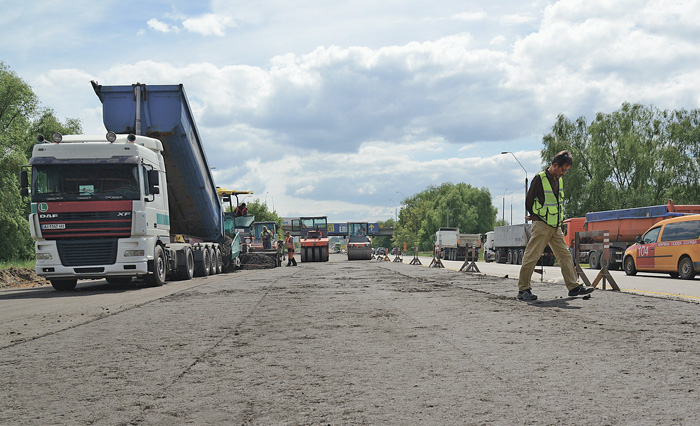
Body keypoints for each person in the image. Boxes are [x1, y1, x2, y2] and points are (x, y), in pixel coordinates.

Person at [517, 150, 594, 301]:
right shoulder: (539, 178)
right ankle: (523, 290)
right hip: (541, 225)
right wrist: (535, 215)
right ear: (555, 165)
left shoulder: (559, 179)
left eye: (566, 170)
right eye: (563, 169)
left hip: (555, 225)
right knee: (532, 255)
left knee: (565, 255)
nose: (564, 173)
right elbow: (529, 201)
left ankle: (573, 287)